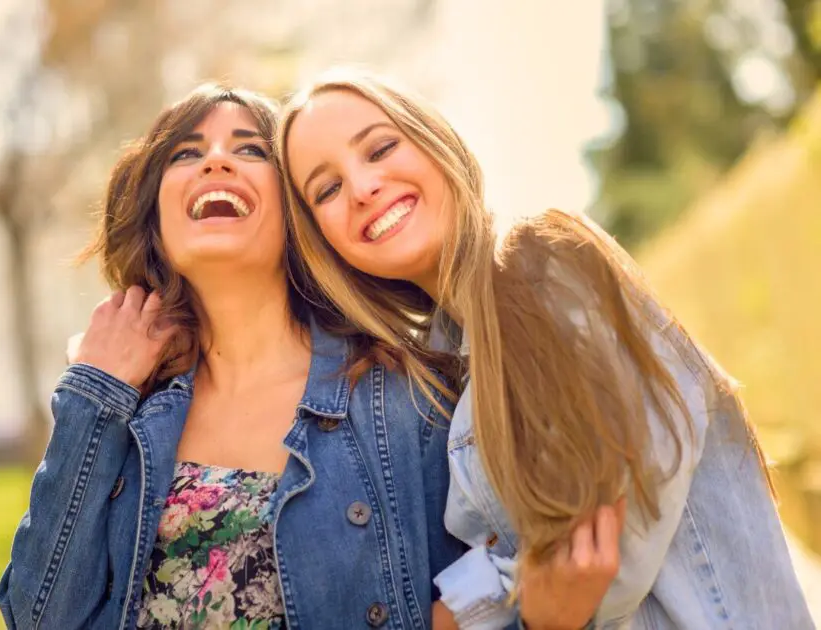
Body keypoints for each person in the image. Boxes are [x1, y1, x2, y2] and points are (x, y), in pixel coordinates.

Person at [278, 68, 815, 629]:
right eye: (328, 189)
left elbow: (599, 549)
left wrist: (472, 611)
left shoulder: (538, 263)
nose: (363, 187)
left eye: (381, 147)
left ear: (433, 141)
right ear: (325, 245)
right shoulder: (447, 369)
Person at [0, 83, 471, 630]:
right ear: (155, 217)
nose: (217, 161)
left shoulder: (405, 397)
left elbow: (483, 596)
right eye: (186, 153)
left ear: (297, 210)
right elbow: (38, 619)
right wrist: (95, 393)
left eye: (250, 149)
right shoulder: (123, 410)